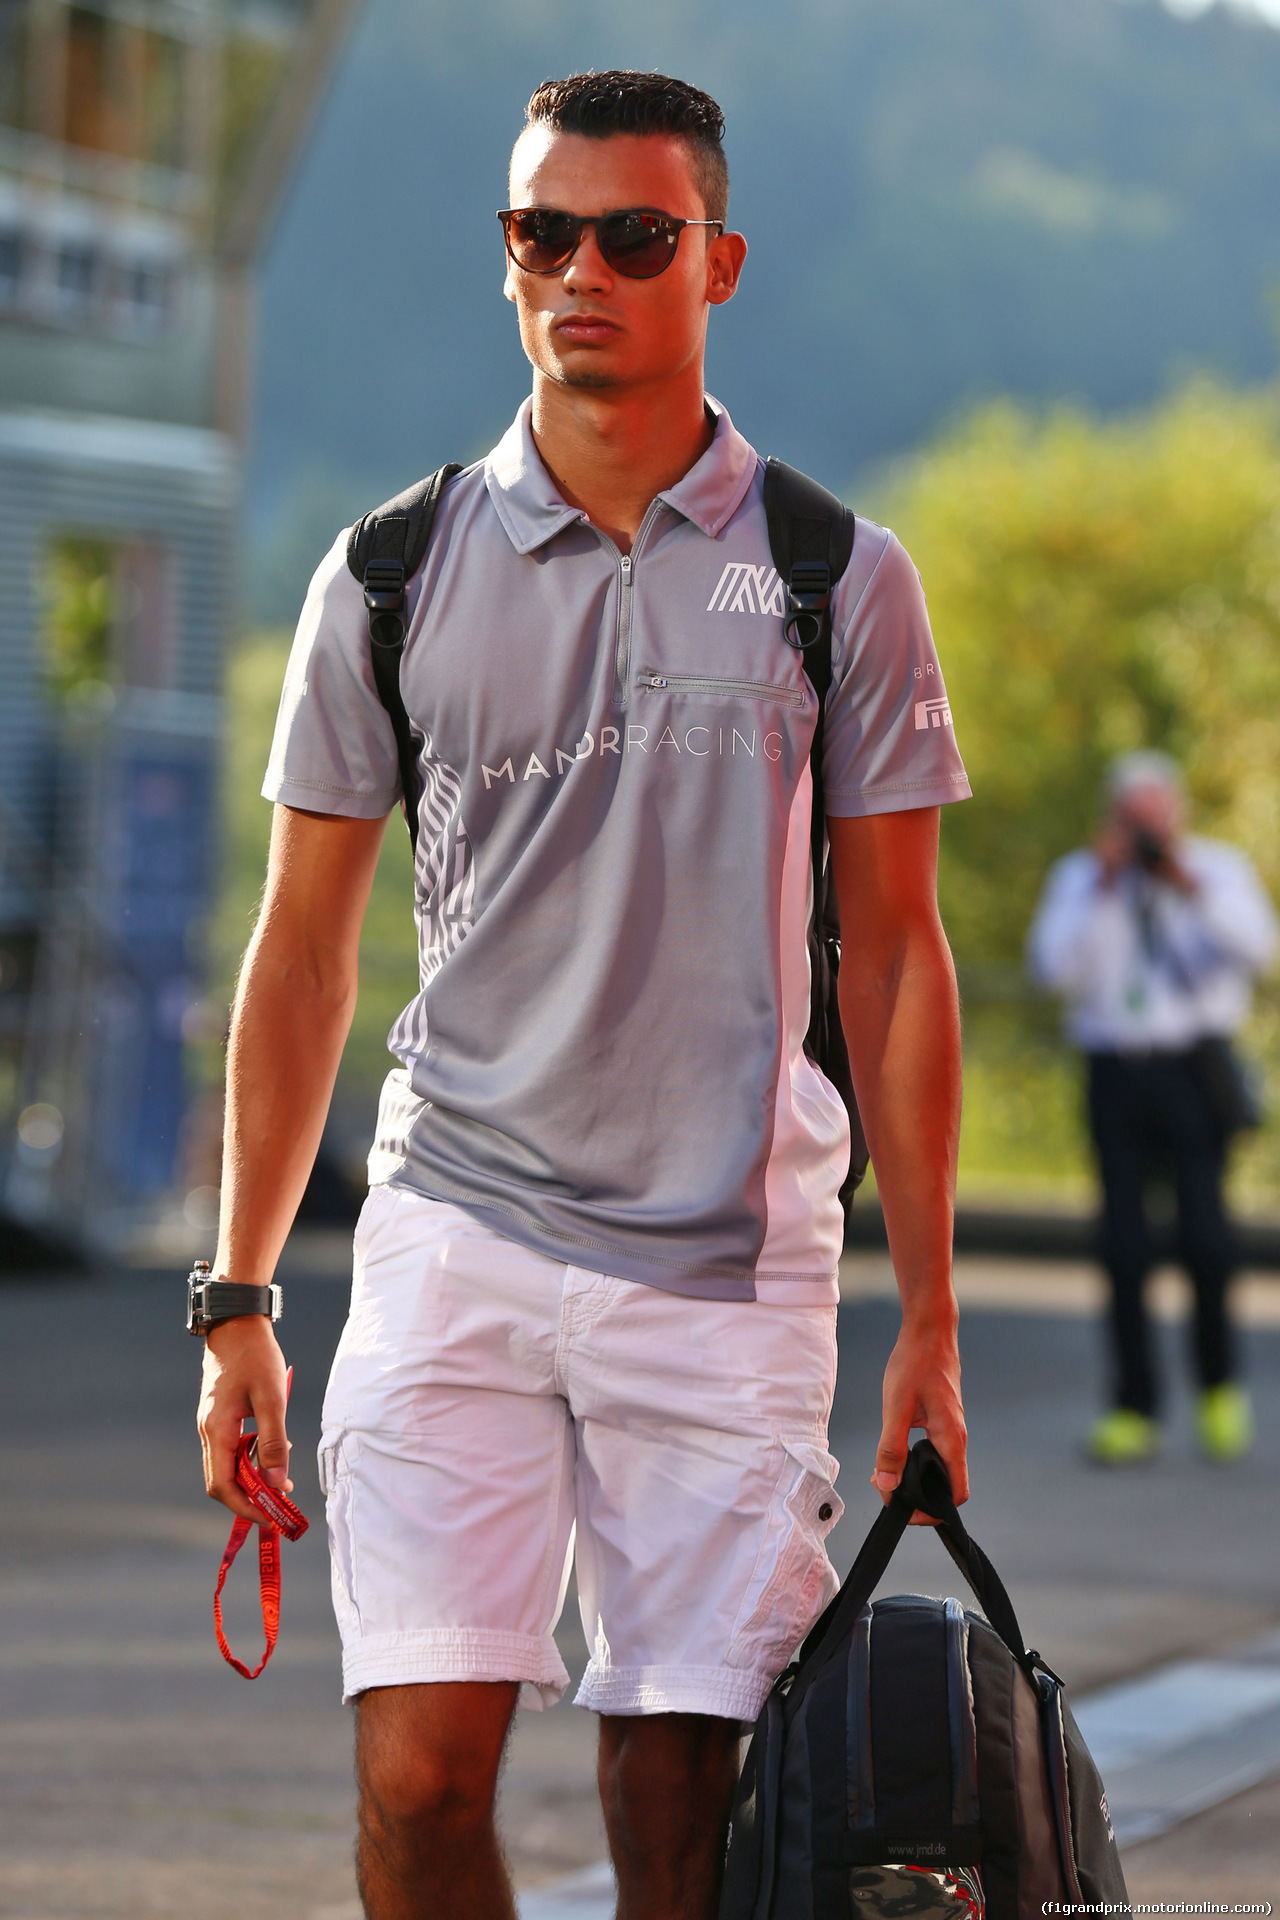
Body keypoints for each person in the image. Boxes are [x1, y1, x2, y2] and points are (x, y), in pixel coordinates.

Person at [196, 71, 971, 1920]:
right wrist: (236, 1299)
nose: (585, 272)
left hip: (728, 1260)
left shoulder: (828, 578)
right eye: (546, 233)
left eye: (636, 236)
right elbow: (302, 951)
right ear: (510, 259)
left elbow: (905, 955)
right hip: (454, 1232)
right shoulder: (390, 574)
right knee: (417, 1772)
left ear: (719, 261)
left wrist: (928, 1319)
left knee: (676, 1807)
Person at [1029, 751, 1277, 1466]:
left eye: (1153, 817)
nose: (1142, 831)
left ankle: (1220, 1389)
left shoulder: (1216, 870)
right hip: (1115, 1072)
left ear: (1178, 815)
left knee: (1208, 1240)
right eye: (1130, 818)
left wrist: (1186, 884)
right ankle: (1133, 1406)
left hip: (1192, 1071)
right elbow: (1052, 968)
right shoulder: (1081, 879)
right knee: (1124, 1247)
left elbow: (1259, 950)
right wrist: (1104, 883)